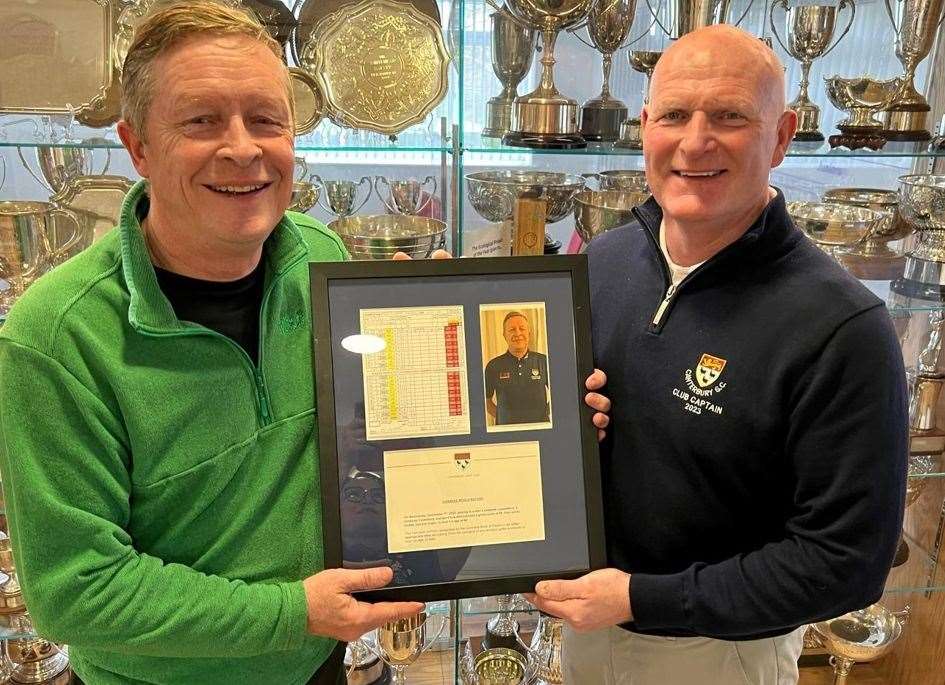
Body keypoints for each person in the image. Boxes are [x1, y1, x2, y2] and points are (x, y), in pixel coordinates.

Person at [0, 4, 611, 684]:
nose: (243, 148)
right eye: (201, 121)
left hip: (317, 664)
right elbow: (75, 592)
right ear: (137, 144)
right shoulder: (55, 336)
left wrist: (547, 426)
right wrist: (294, 611)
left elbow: (370, 445)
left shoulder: (318, 259)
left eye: (265, 118)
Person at [528, 25, 908, 685]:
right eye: (673, 114)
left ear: (782, 136)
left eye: (729, 116)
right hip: (585, 627)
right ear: (645, 126)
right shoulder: (602, 263)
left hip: (719, 654)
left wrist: (639, 597)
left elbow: (843, 562)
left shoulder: (842, 326)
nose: (694, 141)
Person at [483, 311, 550, 425]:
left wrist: (545, 413)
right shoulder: (493, 365)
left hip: (540, 429)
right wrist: (503, 417)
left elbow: (559, 395)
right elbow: (486, 401)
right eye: (512, 330)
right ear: (504, 335)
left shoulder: (545, 361)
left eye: (522, 328)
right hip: (506, 434)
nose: (518, 333)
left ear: (528, 333)